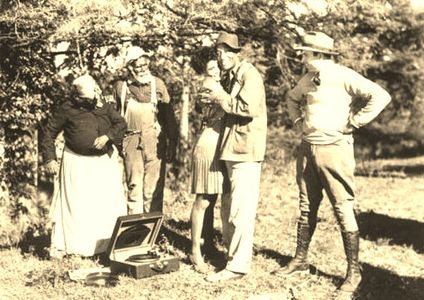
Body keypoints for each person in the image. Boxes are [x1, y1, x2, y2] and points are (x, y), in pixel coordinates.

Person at [273, 31, 391, 296]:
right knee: (306, 206)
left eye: (305, 52)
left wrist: (355, 121)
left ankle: (353, 273)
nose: (301, 57)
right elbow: (292, 98)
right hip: (308, 149)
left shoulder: (343, 75)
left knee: (342, 208)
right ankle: (301, 260)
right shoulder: (308, 78)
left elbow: (381, 96)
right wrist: (296, 122)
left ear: (318, 54)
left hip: (335, 149)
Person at [199, 32, 267, 282]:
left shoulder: (249, 75)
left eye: (228, 52)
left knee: (241, 210)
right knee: (228, 207)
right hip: (230, 150)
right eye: (218, 52)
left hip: (245, 151)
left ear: (238, 53)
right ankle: (233, 258)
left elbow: (247, 108)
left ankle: (238, 266)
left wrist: (218, 95)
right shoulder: (228, 76)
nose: (222, 57)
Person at [41, 74, 127, 258]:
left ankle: (102, 249)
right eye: (88, 98)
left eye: (94, 95)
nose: (93, 99)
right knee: (78, 208)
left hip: (102, 164)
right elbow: (49, 133)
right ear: (77, 96)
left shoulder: (103, 105)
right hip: (76, 163)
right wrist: (50, 159)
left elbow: (121, 123)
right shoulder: (67, 108)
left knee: (102, 205)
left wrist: (108, 137)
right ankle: (77, 249)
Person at [113, 46, 178, 215]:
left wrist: (172, 144)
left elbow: (169, 117)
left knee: (153, 189)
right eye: (137, 66)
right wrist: (118, 144)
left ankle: (153, 233)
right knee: (134, 187)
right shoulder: (121, 87)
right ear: (129, 68)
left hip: (155, 142)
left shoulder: (158, 85)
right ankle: (135, 233)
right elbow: (115, 117)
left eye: (144, 65)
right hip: (131, 141)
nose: (141, 69)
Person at [190, 59, 230, 274]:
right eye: (212, 68)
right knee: (204, 199)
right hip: (209, 145)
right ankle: (195, 250)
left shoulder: (224, 84)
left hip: (221, 146)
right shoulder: (211, 85)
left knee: (213, 198)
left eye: (218, 67)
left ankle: (209, 244)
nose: (216, 71)